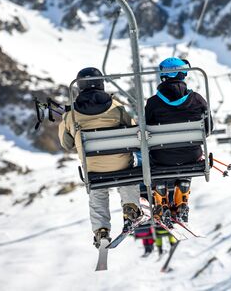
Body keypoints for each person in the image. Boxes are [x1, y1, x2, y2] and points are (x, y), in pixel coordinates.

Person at [58, 67, 143, 248]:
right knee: (127, 173)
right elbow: (134, 131)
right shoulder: (117, 108)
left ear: (79, 87)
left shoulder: (70, 115)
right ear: (102, 83)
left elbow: (66, 144)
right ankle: (131, 207)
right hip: (121, 165)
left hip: (93, 169)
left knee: (98, 191)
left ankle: (101, 229)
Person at [145, 57, 212, 226]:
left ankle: (161, 201)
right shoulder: (197, 99)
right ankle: (181, 201)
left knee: (157, 159)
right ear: (182, 74)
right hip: (191, 155)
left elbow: (147, 131)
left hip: (161, 158)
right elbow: (208, 128)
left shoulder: (153, 103)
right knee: (186, 154)